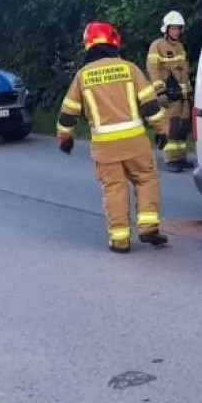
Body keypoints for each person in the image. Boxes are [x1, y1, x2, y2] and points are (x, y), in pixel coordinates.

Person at [57, 21, 169, 252]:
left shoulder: (82, 76)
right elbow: (150, 105)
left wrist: (65, 138)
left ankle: (120, 240)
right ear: (114, 42)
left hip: (105, 147)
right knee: (146, 179)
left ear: (88, 46)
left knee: (114, 189)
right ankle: (148, 227)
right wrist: (162, 131)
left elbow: (68, 112)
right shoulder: (129, 69)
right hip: (135, 142)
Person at [147, 10, 192, 172]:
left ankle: (180, 157)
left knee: (183, 125)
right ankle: (170, 159)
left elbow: (184, 70)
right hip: (169, 93)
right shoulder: (157, 46)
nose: (176, 31)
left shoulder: (180, 46)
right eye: (173, 28)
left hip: (183, 94)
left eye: (178, 28)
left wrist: (189, 91)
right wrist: (160, 91)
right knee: (171, 125)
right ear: (166, 29)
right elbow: (153, 70)